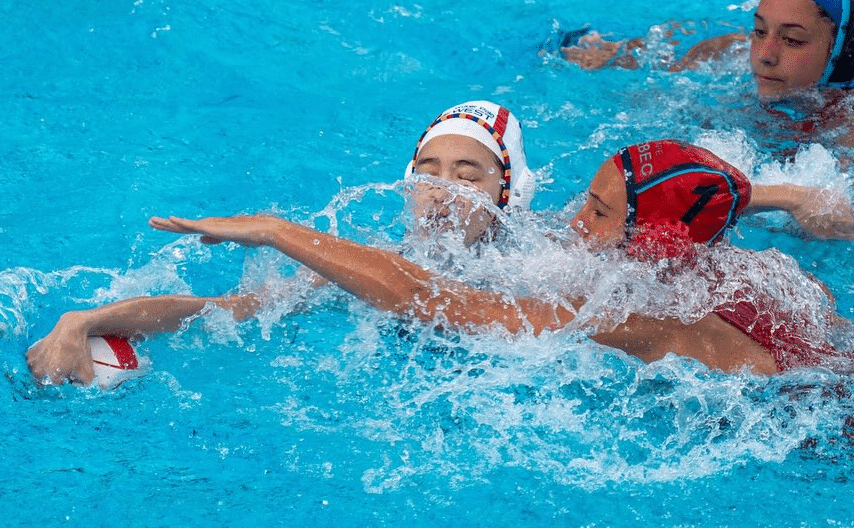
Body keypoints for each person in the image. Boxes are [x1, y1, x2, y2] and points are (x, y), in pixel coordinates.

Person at [146, 139, 841, 375]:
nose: (574, 221)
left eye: (598, 213)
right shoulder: (761, 272)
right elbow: (701, 204)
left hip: (848, 441)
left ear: (653, 243)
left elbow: (427, 299)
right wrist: (783, 196)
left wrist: (275, 229)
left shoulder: (648, 324)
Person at [26, 100, 537, 386]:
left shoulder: (541, 275)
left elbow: (423, 298)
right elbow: (230, 309)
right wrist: (88, 320)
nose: (442, 192)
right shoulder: (370, 262)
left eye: (467, 177)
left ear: (507, 195)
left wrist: (274, 230)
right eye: (427, 174)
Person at [559, 0, 854, 154]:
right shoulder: (732, 52)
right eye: (760, 30)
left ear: (848, 53)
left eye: (792, 40)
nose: (763, 54)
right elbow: (667, 61)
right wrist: (617, 56)